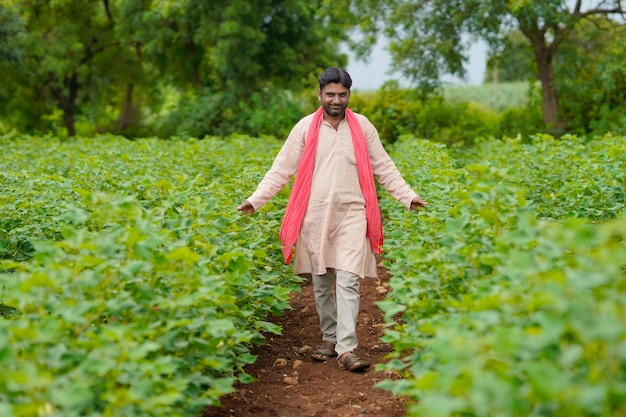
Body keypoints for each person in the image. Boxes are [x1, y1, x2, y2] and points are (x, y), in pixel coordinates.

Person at [237, 67, 427, 372]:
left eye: (342, 94)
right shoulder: (304, 128)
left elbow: (384, 167)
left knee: (349, 279)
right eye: (330, 94)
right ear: (319, 95)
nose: (336, 100)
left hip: (353, 213)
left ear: (349, 95)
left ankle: (346, 348)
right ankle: (329, 336)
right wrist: (255, 201)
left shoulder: (363, 127)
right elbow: (281, 169)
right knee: (322, 280)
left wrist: (408, 196)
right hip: (314, 214)